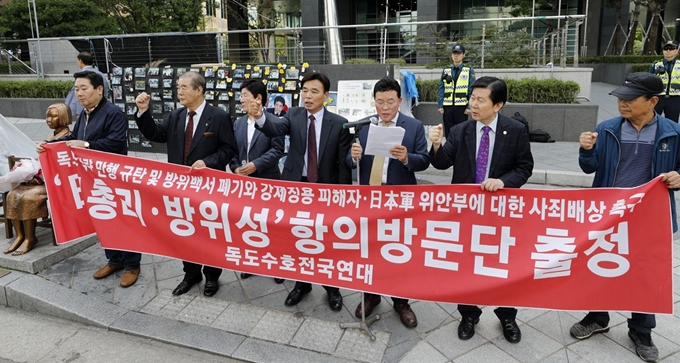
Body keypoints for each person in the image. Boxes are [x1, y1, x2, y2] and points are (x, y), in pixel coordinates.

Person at [572, 72, 680, 363]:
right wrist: (586, 150)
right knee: (600, 265)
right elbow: (589, 167)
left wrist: (678, 177)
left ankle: (641, 330)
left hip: (650, 217)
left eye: (630, 98)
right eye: (620, 96)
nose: (622, 102)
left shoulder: (672, 131)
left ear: (653, 101)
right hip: (609, 215)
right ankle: (598, 316)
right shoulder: (607, 129)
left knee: (644, 273)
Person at [429, 76, 533, 343]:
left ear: (497, 105)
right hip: (467, 211)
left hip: (501, 210)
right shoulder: (461, 130)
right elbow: (442, 164)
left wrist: (503, 182)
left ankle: (507, 316)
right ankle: (468, 314)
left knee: (504, 264)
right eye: (472, 98)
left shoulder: (516, 129)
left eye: (480, 100)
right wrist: (437, 144)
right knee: (467, 264)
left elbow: (524, 167)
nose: (473, 105)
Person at [250, 72, 352, 311]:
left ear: (326, 95)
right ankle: (302, 284)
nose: (308, 96)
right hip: (297, 188)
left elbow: (342, 164)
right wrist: (260, 117)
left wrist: (346, 197)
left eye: (314, 91)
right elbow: (275, 128)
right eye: (304, 90)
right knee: (298, 238)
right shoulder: (293, 115)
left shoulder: (338, 123)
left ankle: (332, 288)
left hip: (325, 190)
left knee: (327, 241)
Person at [135, 71, 237, 297]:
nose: (178, 91)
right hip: (179, 187)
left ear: (198, 90)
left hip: (208, 189)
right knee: (184, 231)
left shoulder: (218, 116)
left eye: (183, 87)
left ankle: (212, 276)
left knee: (209, 233)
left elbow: (229, 150)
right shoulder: (177, 115)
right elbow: (157, 134)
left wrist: (207, 163)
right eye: (177, 87)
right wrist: (143, 111)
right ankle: (191, 274)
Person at [37, 71, 138, 287]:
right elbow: (75, 138)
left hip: (114, 178)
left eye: (84, 88)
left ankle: (132, 265)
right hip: (92, 179)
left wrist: (88, 146)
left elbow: (117, 142)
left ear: (99, 90)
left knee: (123, 222)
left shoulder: (113, 113)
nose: (79, 93)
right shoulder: (84, 114)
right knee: (102, 218)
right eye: (76, 89)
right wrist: (49, 145)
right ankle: (114, 260)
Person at [348, 77, 430, 328]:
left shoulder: (414, 126)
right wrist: (353, 157)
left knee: (399, 250)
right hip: (370, 198)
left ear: (399, 101)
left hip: (399, 200)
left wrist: (407, 158)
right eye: (380, 102)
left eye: (390, 102)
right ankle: (371, 295)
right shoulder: (364, 125)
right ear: (373, 101)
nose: (384, 107)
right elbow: (348, 161)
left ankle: (401, 301)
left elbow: (424, 160)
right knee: (370, 248)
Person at [229, 79, 285, 284]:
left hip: (268, 181)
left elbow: (278, 150)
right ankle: (253, 261)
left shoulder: (275, 121)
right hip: (244, 184)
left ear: (258, 98)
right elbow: (233, 150)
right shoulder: (238, 122)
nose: (241, 99)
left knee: (271, 224)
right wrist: (235, 167)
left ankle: (278, 265)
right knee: (249, 223)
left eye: (244, 95)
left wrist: (256, 165)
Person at [4, 103, 72, 256]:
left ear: (63, 117)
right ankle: (20, 236)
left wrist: (42, 178)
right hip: (42, 179)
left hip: (57, 182)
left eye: (53, 116)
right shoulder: (49, 137)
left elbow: (63, 167)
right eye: (47, 116)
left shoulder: (68, 138)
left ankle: (30, 237)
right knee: (12, 195)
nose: (49, 119)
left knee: (28, 197)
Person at [438, 44, 475, 137]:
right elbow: (441, 87)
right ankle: (449, 150)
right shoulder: (446, 70)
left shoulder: (469, 70)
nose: (456, 55)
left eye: (458, 53)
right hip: (448, 106)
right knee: (448, 132)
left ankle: (460, 151)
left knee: (461, 131)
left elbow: (472, 89)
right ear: (451, 55)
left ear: (463, 55)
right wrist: (440, 105)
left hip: (461, 107)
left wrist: (469, 106)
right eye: (454, 53)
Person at [65, 52, 108, 119]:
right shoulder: (101, 74)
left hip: (85, 110)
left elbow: (78, 98)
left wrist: (79, 112)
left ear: (80, 61)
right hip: (101, 109)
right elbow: (105, 92)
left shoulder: (80, 76)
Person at [649, 40, 680, 122]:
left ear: (677, 50)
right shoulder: (655, 65)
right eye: (666, 48)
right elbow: (649, 81)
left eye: (671, 48)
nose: (668, 51)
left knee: (672, 123)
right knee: (652, 121)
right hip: (657, 98)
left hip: (675, 99)